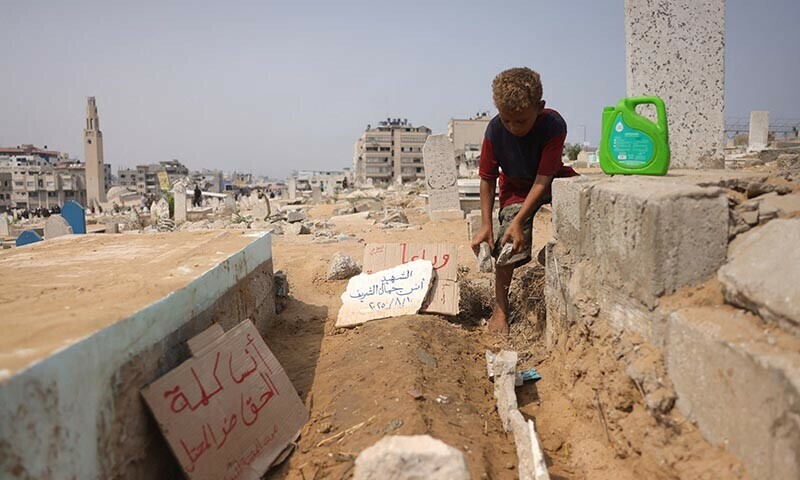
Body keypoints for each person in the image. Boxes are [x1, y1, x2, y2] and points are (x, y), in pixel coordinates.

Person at [471, 67, 578, 336]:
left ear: (539, 108)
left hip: (550, 179)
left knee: (579, 204)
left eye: (520, 121)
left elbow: (544, 179)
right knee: (506, 246)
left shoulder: (553, 125)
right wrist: (487, 224)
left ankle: (559, 256)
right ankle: (501, 308)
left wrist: (521, 221)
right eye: (507, 120)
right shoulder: (495, 130)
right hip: (516, 187)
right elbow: (487, 178)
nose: (513, 128)